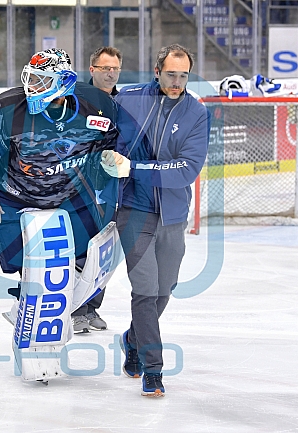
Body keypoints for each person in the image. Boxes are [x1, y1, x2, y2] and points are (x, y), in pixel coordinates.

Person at [0, 48, 118, 335]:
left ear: (63, 83)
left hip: (71, 197)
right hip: (14, 197)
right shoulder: (5, 107)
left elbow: (109, 144)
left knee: (82, 259)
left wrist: (108, 164)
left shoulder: (98, 106)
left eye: (42, 81)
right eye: (31, 78)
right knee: (30, 267)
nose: (33, 87)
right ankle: (31, 307)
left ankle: (77, 308)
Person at [101, 43, 209, 397]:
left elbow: (185, 170)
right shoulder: (127, 100)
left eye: (183, 76)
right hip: (133, 210)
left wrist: (135, 167)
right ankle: (153, 369)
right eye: (171, 74)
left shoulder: (196, 112)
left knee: (165, 291)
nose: (176, 82)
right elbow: (100, 140)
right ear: (157, 70)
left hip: (173, 214)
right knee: (145, 290)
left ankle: (133, 338)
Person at [68, 46, 123, 332]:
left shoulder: (122, 101)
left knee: (104, 248)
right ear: (92, 70)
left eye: (114, 68)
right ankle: (76, 309)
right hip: (78, 187)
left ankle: (92, 307)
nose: (110, 73)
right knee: (79, 249)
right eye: (104, 68)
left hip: (110, 187)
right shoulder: (76, 98)